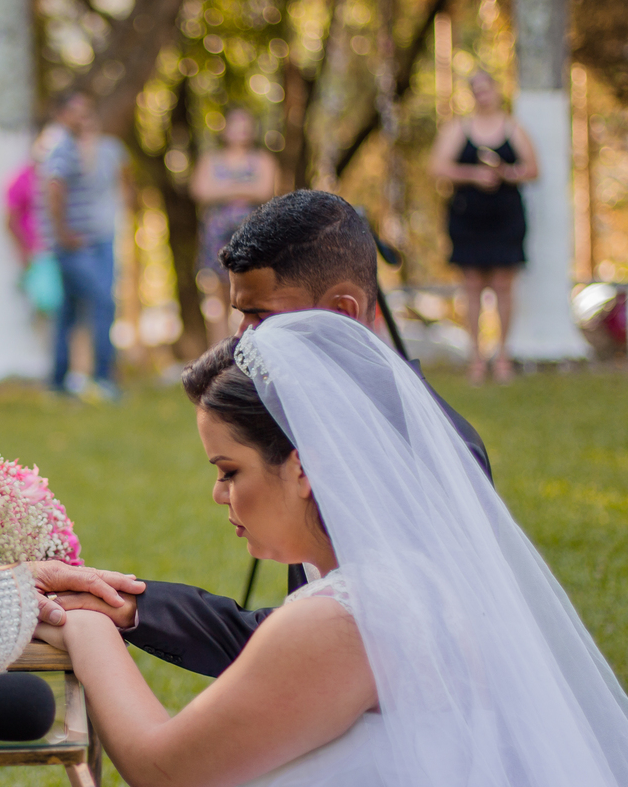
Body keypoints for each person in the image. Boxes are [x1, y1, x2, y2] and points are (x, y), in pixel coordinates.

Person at [36, 310, 628, 786]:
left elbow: (164, 770)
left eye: (229, 470)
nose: (218, 494)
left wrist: (86, 629)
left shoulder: (346, 619)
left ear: (304, 466)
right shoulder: (412, 578)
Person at [33, 190, 490, 677]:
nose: (242, 340)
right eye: (239, 315)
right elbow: (294, 632)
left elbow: (332, 647)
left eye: (262, 317)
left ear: (343, 312)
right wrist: (127, 604)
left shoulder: (430, 454)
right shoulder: (312, 419)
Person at [429, 70, 538, 385]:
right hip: (468, 217)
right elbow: (436, 167)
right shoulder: (457, 129)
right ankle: (476, 358)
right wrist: (473, 175)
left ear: (496, 90)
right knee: (472, 285)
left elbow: (533, 169)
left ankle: (502, 355)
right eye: (475, 90)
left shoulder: (513, 127)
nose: (482, 95)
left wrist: (505, 173)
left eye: (485, 88)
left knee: (504, 284)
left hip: (505, 216)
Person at [41, 92, 133, 400]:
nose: (82, 117)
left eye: (86, 111)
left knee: (68, 312)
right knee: (103, 302)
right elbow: (54, 190)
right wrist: (64, 235)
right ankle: (104, 378)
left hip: (92, 241)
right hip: (76, 246)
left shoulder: (81, 149)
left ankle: (58, 383)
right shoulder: (62, 148)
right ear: (62, 115)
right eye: (76, 111)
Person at [189, 108, 278, 343]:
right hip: (215, 238)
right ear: (225, 129)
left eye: (245, 125)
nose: (241, 131)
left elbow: (265, 190)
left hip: (252, 238)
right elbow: (200, 190)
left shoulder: (263, 160)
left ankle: (251, 353)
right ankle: (220, 359)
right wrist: (243, 188)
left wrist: (223, 189)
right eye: (235, 125)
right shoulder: (210, 159)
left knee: (253, 296)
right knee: (215, 300)